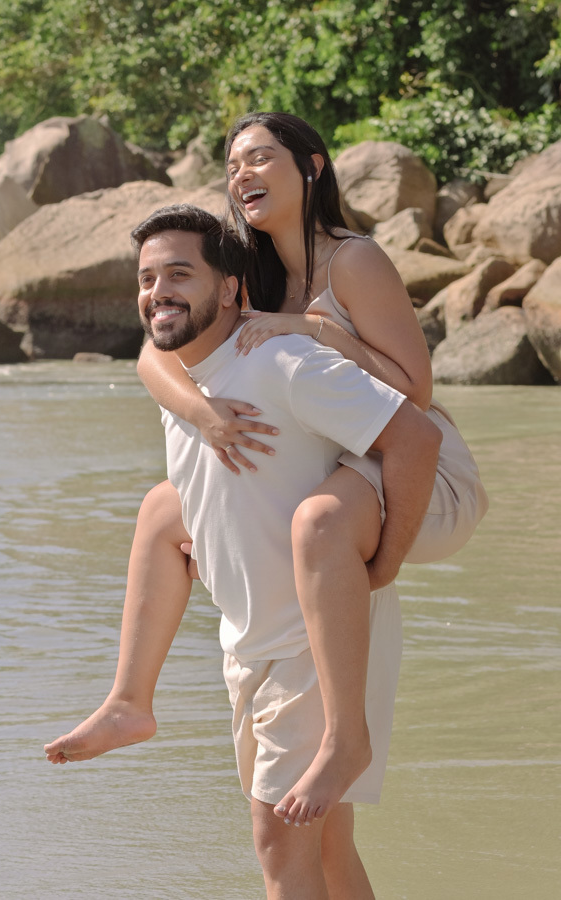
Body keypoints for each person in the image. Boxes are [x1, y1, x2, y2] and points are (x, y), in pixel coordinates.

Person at [45, 112, 488, 829]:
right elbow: (154, 355)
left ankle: (347, 737)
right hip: (339, 459)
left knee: (318, 525)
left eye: (260, 158)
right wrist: (206, 418)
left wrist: (315, 329)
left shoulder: (353, 260)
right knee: (165, 508)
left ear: (311, 167)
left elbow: (416, 396)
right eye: (231, 165)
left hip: (419, 472)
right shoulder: (248, 271)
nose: (240, 174)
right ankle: (130, 700)